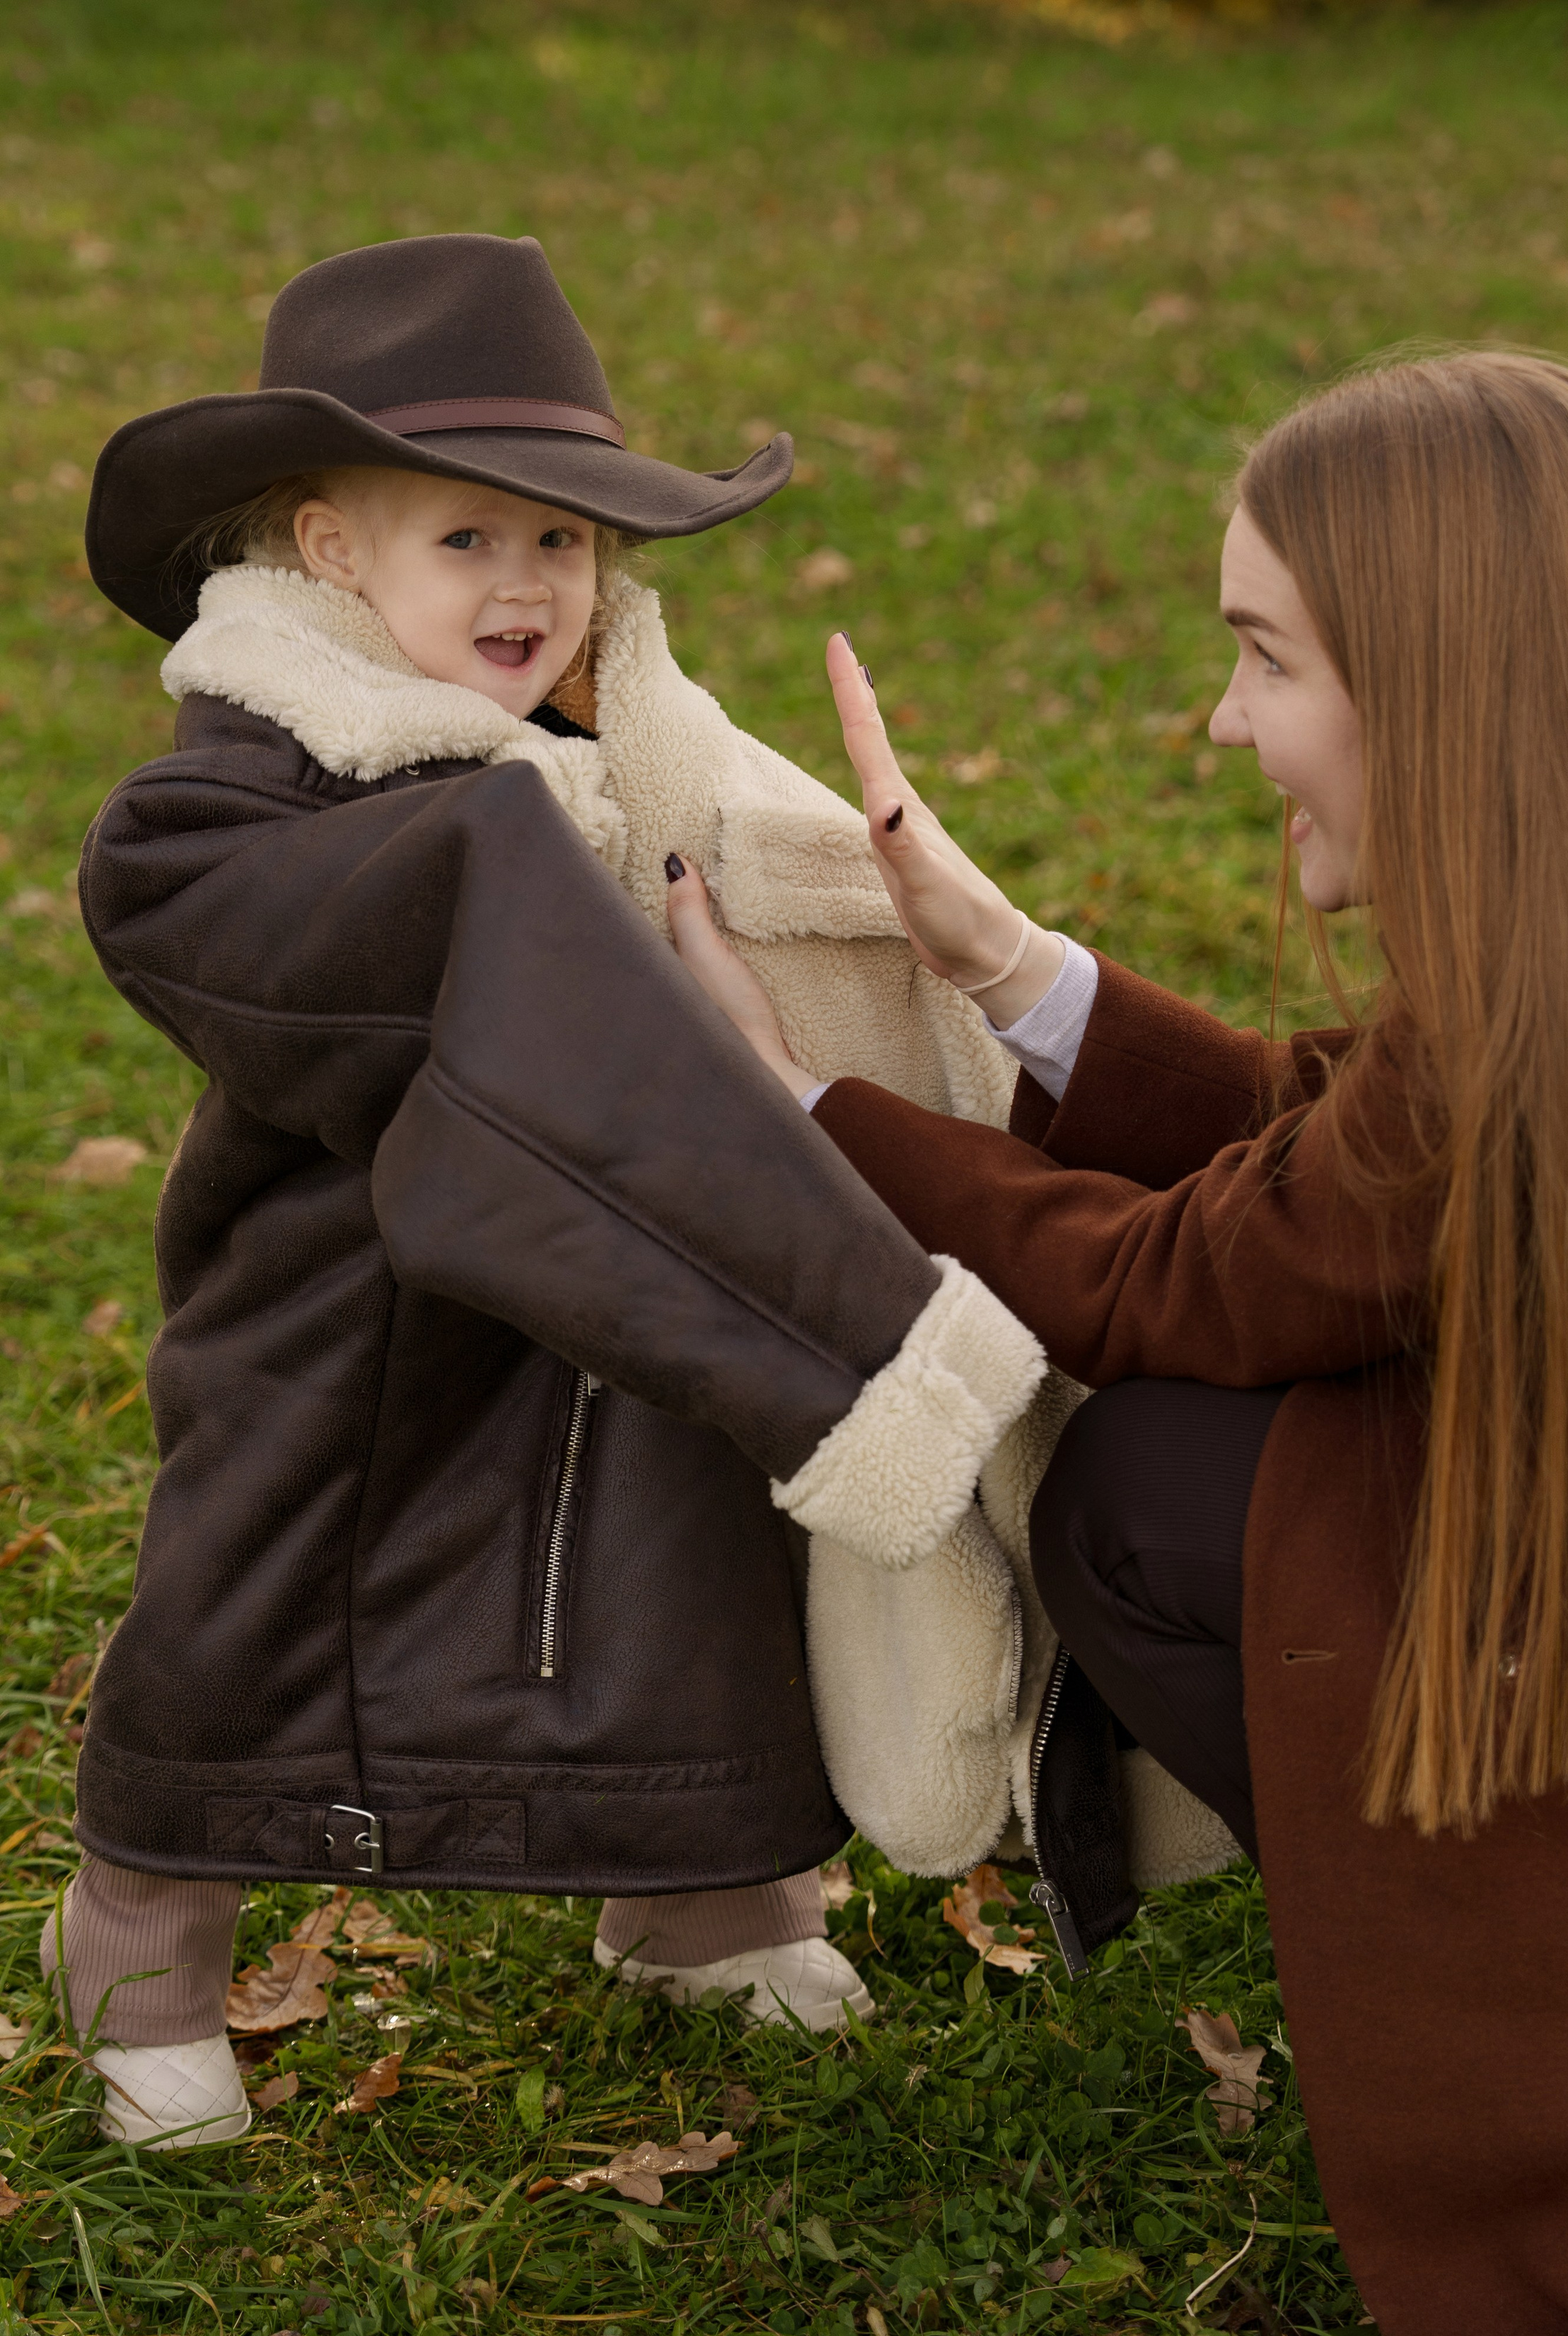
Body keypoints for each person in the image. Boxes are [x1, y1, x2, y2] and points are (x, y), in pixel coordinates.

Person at [668, 352, 1568, 2336]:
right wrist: (1013, 968)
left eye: (1265, 659)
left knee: (1179, 1489)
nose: (1223, 722)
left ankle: (1496, 1959)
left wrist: (799, 1103)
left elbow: (1217, 1272)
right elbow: (1356, 1152)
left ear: (1444, 671)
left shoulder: (1563, 1018)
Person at [59, 231, 1059, 2150]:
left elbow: (783, 909)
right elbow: (441, 934)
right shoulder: (222, 823)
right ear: (331, 553)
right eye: (466, 540)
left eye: (563, 541)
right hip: (345, 1332)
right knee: (256, 1614)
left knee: (667, 1559)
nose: (528, 585)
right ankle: (146, 1939)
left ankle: (700, 1887)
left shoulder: (632, 776)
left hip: (634, 1263)